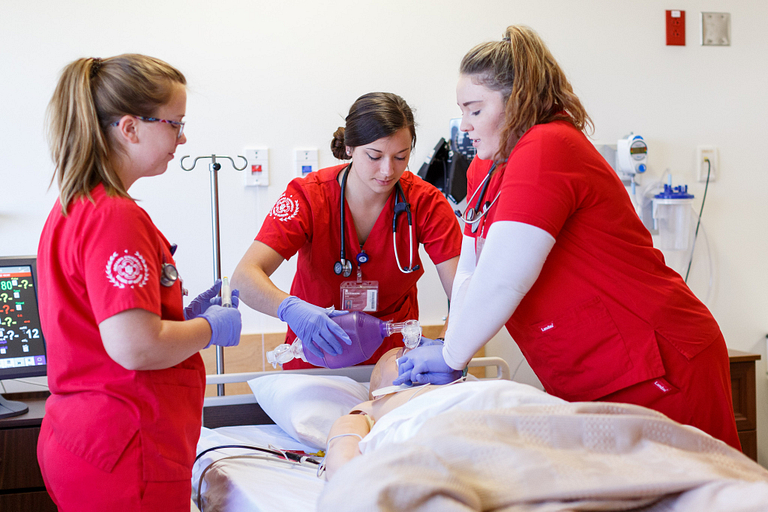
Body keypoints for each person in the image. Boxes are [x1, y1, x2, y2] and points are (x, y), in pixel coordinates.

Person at [395, 25, 740, 450]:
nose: (463, 125)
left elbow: (505, 278)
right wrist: (453, 348)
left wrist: (452, 357)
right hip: (596, 368)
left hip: (660, 360)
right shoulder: (485, 171)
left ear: (516, 100)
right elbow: (473, 271)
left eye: (475, 109)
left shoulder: (548, 147)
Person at [36, 54, 242, 511]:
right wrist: (210, 329)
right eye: (175, 124)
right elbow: (136, 347)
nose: (183, 138)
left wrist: (178, 319)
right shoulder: (115, 217)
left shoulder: (78, 206)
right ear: (130, 128)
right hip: (125, 443)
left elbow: (106, 324)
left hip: (90, 438)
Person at [232, 92, 461, 369]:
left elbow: (463, 292)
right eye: (374, 156)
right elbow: (244, 278)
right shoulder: (307, 197)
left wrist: (446, 350)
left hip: (396, 362)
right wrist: (290, 309)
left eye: (400, 157)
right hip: (317, 354)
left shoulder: (425, 202)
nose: (388, 170)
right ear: (350, 148)